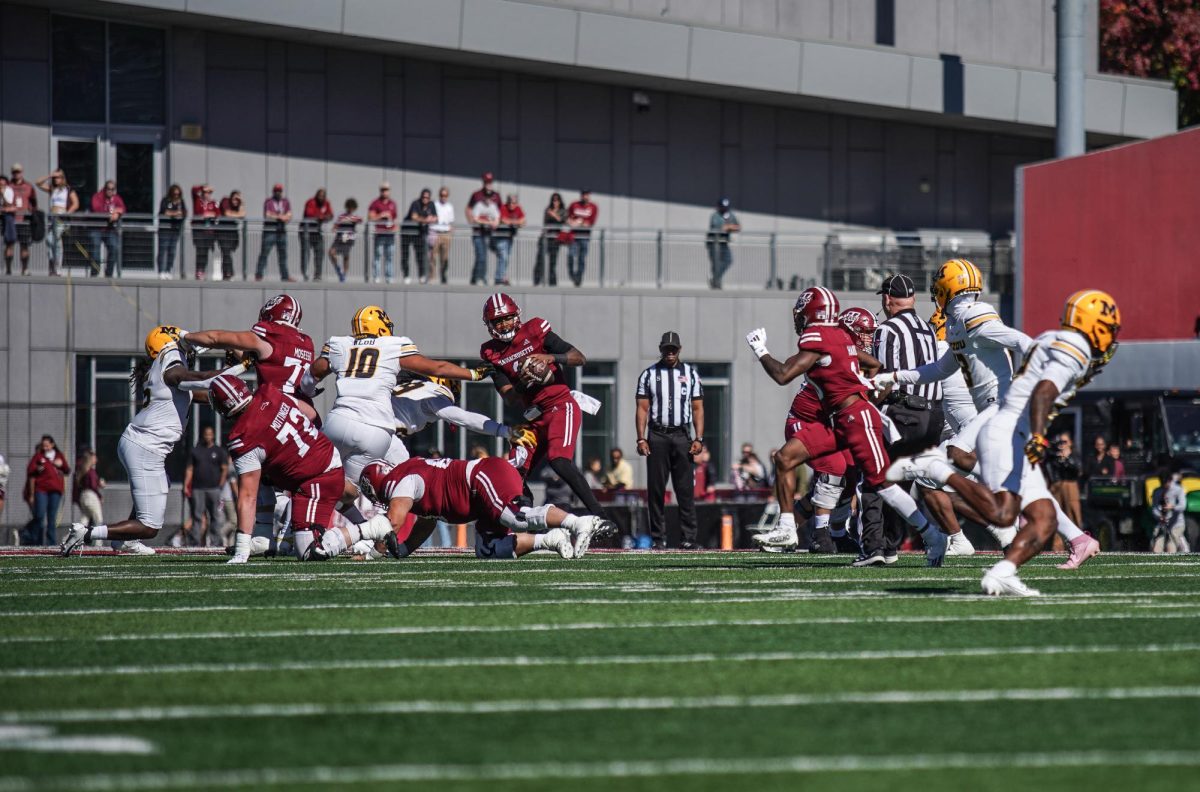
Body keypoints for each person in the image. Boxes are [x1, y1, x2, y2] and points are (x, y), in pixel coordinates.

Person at [889, 289, 1122, 595]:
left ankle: (1003, 572)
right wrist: (1039, 435)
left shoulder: (1055, 338)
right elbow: (1044, 391)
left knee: (1038, 519)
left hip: (1005, 424)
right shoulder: (1075, 346)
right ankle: (939, 470)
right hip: (1008, 430)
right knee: (1007, 515)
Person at [746, 286, 948, 566]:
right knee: (784, 458)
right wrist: (867, 387)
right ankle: (788, 528)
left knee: (883, 485)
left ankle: (933, 535)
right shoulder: (838, 335)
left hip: (855, 418)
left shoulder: (818, 335)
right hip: (838, 421)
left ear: (810, 312)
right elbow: (874, 363)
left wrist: (760, 349)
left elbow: (783, 375)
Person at [60, 327, 229, 557]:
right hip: (145, 448)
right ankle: (86, 533)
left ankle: (127, 541)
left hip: (141, 444)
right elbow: (197, 380)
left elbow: (202, 394)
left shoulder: (164, 370)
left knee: (161, 485)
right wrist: (235, 371)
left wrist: (242, 393)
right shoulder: (170, 364)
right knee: (150, 526)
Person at [206, 374, 383, 564]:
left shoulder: (243, 438)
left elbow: (247, 497)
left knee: (309, 551)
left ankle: (371, 528)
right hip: (324, 455)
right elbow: (310, 413)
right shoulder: (270, 392)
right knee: (265, 475)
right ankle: (263, 537)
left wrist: (241, 550)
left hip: (314, 478)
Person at [306, 305, 489, 485]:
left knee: (310, 479)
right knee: (355, 489)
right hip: (376, 429)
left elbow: (313, 373)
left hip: (339, 420)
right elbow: (438, 368)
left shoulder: (341, 344)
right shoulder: (392, 346)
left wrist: (305, 394)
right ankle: (371, 515)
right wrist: (474, 374)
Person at [480, 293, 610, 520]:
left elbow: (579, 357)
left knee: (559, 461)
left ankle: (601, 517)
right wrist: (524, 379)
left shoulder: (535, 330)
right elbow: (509, 398)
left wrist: (551, 358)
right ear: (490, 325)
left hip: (560, 404)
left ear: (516, 315)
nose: (503, 324)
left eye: (507, 318)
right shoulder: (491, 353)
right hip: (534, 415)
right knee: (513, 471)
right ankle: (527, 521)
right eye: (498, 321)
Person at [355, 456, 614, 561]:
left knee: (515, 518)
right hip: (477, 499)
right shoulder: (408, 479)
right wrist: (402, 550)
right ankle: (550, 539)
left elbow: (393, 521)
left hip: (480, 477)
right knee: (489, 551)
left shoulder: (398, 481)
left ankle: (578, 522)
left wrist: (375, 554)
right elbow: (428, 518)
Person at [857, 274, 946, 562]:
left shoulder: (887, 330)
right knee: (903, 481)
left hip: (903, 411)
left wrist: (868, 408)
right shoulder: (928, 329)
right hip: (933, 414)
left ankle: (873, 546)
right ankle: (891, 545)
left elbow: (884, 378)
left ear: (886, 299)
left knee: (875, 475)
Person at [635, 331, 704, 548]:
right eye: (666, 349)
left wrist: (699, 437)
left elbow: (697, 408)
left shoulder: (691, 374)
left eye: (674, 349)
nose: (670, 352)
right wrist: (640, 439)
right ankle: (658, 538)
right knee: (656, 489)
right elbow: (642, 409)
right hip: (657, 435)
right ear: (660, 349)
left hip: (682, 435)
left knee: (685, 489)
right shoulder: (649, 375)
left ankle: (688, 539)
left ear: (679, 350)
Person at [185, 425, 229, 548]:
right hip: (197, 488)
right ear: (203, 435)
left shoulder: (219, 451)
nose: (208, 436)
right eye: (206, 434)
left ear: (213, 435)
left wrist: (220, 484)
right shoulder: (195, 450)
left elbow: (224, 469)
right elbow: (190, 469)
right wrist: (186, 485)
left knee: (215, 516)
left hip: (214, 489)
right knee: (197, 516)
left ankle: (215, 542)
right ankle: (195, 542)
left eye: (210, 434)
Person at [24, 435, 69, 546]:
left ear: (52, 445)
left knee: (51, 517)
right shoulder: (39, 456)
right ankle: (36, 541)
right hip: (41, 490)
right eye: (43, 445)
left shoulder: (59, 456)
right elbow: (30, 470)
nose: (45, 448)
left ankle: (51, 542)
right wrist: (37, 469)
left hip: (55, 491)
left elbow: (67, 470)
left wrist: (61, 465)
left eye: (47, 445)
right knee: (39, 515)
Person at [35, 170, 79, 276]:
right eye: (55, 178)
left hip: (62, 217)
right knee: (55, 242)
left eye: (58, 177)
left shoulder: (68, 189)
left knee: (51, 239)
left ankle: (56, 265)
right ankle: (55, 267)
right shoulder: (52, 189)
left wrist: (66, 214)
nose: (56, 179)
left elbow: (76, 203)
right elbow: (38, 183)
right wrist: (49, 175)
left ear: (63, 178)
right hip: (53, 217)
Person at [467, 173, 501, 285]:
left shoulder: (496, 198)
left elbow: (500, 213)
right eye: (487, 181)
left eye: (490, 182)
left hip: (491, 233)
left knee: (496, 253)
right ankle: (479, 278)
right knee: (481, 256)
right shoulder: (476, 196)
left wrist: (496, 222)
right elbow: (470, 211)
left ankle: (481, 277)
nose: (488, 184)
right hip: (478, 232)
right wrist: (472, 221)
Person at [1045, 433, 1084, 531]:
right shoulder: (1054, 456)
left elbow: (1078, 470)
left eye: (1064, 441)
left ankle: (1076, 537)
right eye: (1060, 442)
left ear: (1070, 443)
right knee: (1057, 513)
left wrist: (1067, 458)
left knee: (1072, 512)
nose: (1062, 444)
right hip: (1056, 486)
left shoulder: (1074, 455)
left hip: (1070, 485)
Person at [255, 183, 292, 281]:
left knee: (283, 255)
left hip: (281, 231)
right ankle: (259, 274)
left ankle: (285, 276)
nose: (278, 192)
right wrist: (280, 217)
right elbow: (268, 215)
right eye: (276, 191)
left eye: (279, 191)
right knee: (264, 253)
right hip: (270, 231)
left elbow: (289, 215)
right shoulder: (269, 201)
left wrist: (280, 217)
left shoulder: (285, 202)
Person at [5, 164, 36, 276]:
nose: (16, 174)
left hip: (24, 220)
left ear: (22, 172)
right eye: (14, 172)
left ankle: (25, 269)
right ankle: (8, 269)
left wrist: (33, 213)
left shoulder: (28, 186)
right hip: (11, 220)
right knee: (9, 245)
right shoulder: (8, 186)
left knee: (24, 245)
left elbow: (33, 202)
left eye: (18, 172)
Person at [90, 180, 125, 276]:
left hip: (109, 229)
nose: (110, 191)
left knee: (114, 248)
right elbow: (96, 209)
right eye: (108, 189)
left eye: (112, 189)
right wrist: (112, 213)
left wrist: (117, 213)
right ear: (105, 189)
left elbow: (123, 208)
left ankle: (109, 273)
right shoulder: (97, 196)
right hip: (96, 228)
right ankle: (94, 273)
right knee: (95, 251)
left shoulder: (116, 198)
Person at [401, 188, 436, 284]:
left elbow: (435, 217)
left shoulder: (431, 204)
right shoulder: (415, 203)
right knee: (405, 255)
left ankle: (421, 275)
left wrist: (430, 219)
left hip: (419, 233)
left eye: (427, 197)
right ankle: (406, 276)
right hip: (407, 232)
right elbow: (414, 217)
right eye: (423, 197)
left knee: (420, 255)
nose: (425, 199)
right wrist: (426, 219)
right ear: (421, 197)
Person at [706, 197, 741, 289]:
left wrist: (729, 226)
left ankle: (715, 278)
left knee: (728, 260)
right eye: (723, 207)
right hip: (714, 242)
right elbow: (719, 227)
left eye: (726, 207)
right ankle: (717, 283)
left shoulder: (730, 215)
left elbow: (737, 227)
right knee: (716, 263)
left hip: (724, 242)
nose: (724, 209)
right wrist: (729, 226)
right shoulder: (715, 215)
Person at [1152, 470, 1190, 553]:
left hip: (1176, 524)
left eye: (1166, 482)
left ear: (1170, 480)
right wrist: (1159, 517)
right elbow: (1154, 509)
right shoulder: (1157, 492)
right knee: (1156, 548)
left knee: (1171, 547)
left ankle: (1183, 544)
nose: (1165, 485)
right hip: (1163, 524)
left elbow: (1183, 506)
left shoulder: (1178, 490)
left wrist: (1172, 507)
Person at [566, 189, 598, 287]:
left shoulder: (593, 207)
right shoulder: (574, 205)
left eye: (587, 195)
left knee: (581, 258)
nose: (585, 196)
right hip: (573, 235)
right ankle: (572, 275)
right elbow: (567, 217)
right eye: (583, 194)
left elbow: (590, 223)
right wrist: (572, 222)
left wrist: (580, 223)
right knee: (571, 255)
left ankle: (579, 278)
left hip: (584, 236)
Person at [299, 188, 333, 282]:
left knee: (320, 252)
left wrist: (324, 217)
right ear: (316, 195)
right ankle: (305, 274)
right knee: (306, 253)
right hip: (306, 231)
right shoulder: (310, 202)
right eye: (320, 196)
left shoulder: (326, 203)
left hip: (317, 231)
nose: (321, 198)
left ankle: (318, 275)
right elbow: (309, 214)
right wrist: (322, 216)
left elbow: (330, 214)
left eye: (323, 196)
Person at [368, 182, 398, 284]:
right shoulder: (375, 203)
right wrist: (381, 215)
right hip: (380, 233)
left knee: (389, 256)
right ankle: (376, 277)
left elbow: (394, 219)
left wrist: (395, 227)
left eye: (387, 190)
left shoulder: (392, 204)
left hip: (390, 234)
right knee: (378, 255)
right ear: (380, 191)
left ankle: (389, 277)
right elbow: (371, 217)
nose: (385, 192)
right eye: (383, 190)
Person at [534, 193, 566, 287]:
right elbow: (545, 223)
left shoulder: (562, 211)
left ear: (560, 201)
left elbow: (561, 220)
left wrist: (553, 214)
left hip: (555, 240)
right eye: (553, 200)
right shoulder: (547, 210)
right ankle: (537, 281)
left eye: (557, 200)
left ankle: (552, 283)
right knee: (540, 260)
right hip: (546, 238)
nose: (555, 202)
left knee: (552, 262)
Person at [72, 448, 104, 539]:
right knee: (98, 519)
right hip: (91, 495)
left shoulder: (81, 470)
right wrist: (99, 496)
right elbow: (93, 486)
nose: (96, 459)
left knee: (84, 519)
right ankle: (98, 542)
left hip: (83, 495)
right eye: (94, 457)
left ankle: (74, 538)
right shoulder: (91, 471)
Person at [156, 184, 187, 279]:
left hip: (175, 230)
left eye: (178, 194)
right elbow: (164, 212)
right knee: (162, 250)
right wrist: (175, 213)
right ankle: (161, 271)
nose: (176, 196)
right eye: (174, 194)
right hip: (165, 229)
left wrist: (177, 213)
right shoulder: (165, 200)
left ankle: (168, 270)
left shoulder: (181, 202)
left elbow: (184, 212)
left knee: (172, 251)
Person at [494, 194, 525, 286]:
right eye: (510, 202)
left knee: (505, 258)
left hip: (510, 237)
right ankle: (499, 278)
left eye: (514, 202)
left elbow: (523, 220)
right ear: (507, 202)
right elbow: (503, 220)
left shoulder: (518, 208)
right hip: (501, 236)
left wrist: (512, 222)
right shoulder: (503, 207)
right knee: (503, 257)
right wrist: (516, 222)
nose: (512, 204)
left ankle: (501, 276)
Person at [328, 198, 360, 283]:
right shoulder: (341, 216)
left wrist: (350, 220)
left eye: (352, 208)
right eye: (349, 207)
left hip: (348, 239)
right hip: (339, 238)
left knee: (346, 256)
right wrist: (335, 228)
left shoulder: (354, 216)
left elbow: (359, 220)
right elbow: (336, 225)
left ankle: (344, 275)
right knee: (331, 252)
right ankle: (338, 268)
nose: (350, 209)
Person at [216, 190, 245, 280]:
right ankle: (228, 273)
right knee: (226, 252)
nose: (236, 201)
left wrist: (242, 203)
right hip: (223, 232)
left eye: (238, 200)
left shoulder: (238, 205)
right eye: (235, 199)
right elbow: (227, 213)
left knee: (228, 253)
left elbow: (243, 214)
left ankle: (228, 272)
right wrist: (237, 215)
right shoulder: (225, 201)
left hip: (232, 233)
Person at [430, 187, 454, 284]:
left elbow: (451, 221)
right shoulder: (434, 204)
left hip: (446, 233)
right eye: (442, 195)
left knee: (444, 257)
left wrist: (450, 231)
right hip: (436, 232)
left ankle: (443, 276)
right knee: (433, 256)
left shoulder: (449, 207)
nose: (443, 197)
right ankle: (432, 277)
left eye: (445, 195)